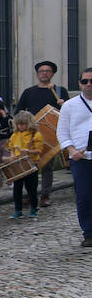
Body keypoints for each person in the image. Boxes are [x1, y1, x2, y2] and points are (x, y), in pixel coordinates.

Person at [15, 61, 69, 208]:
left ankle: (45, 195)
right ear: (37, 74)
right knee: (29, 166)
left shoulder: (59, 90)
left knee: (48, 166)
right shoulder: (29, 91)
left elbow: (69, 112)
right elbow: (19, 110)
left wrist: (63, 104)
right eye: (41, 71)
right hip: (30, 134)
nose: (44, 73)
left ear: (52, 74)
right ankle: (29, 194)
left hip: (50, 133)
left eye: (47, 71)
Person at [56, 67, 92, 246]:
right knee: (84, 196)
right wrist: (71, 151)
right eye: (85, 81)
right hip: (81, 158)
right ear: (79, 83)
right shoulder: (70, 106)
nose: (88, 85)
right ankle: (89, 232)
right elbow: (62, 133)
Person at [6, 111, 45, 219]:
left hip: (31, 164)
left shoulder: (36, 135)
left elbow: (39, 150)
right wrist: (12, 155)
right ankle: (18, 210)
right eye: (19, 124)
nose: (21, 126)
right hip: (18, 165)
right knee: (17, 189)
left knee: (31, 188)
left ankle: (34, 208)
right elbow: (12, 148)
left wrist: (27, 151)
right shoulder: (15, 135)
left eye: (23, 124)